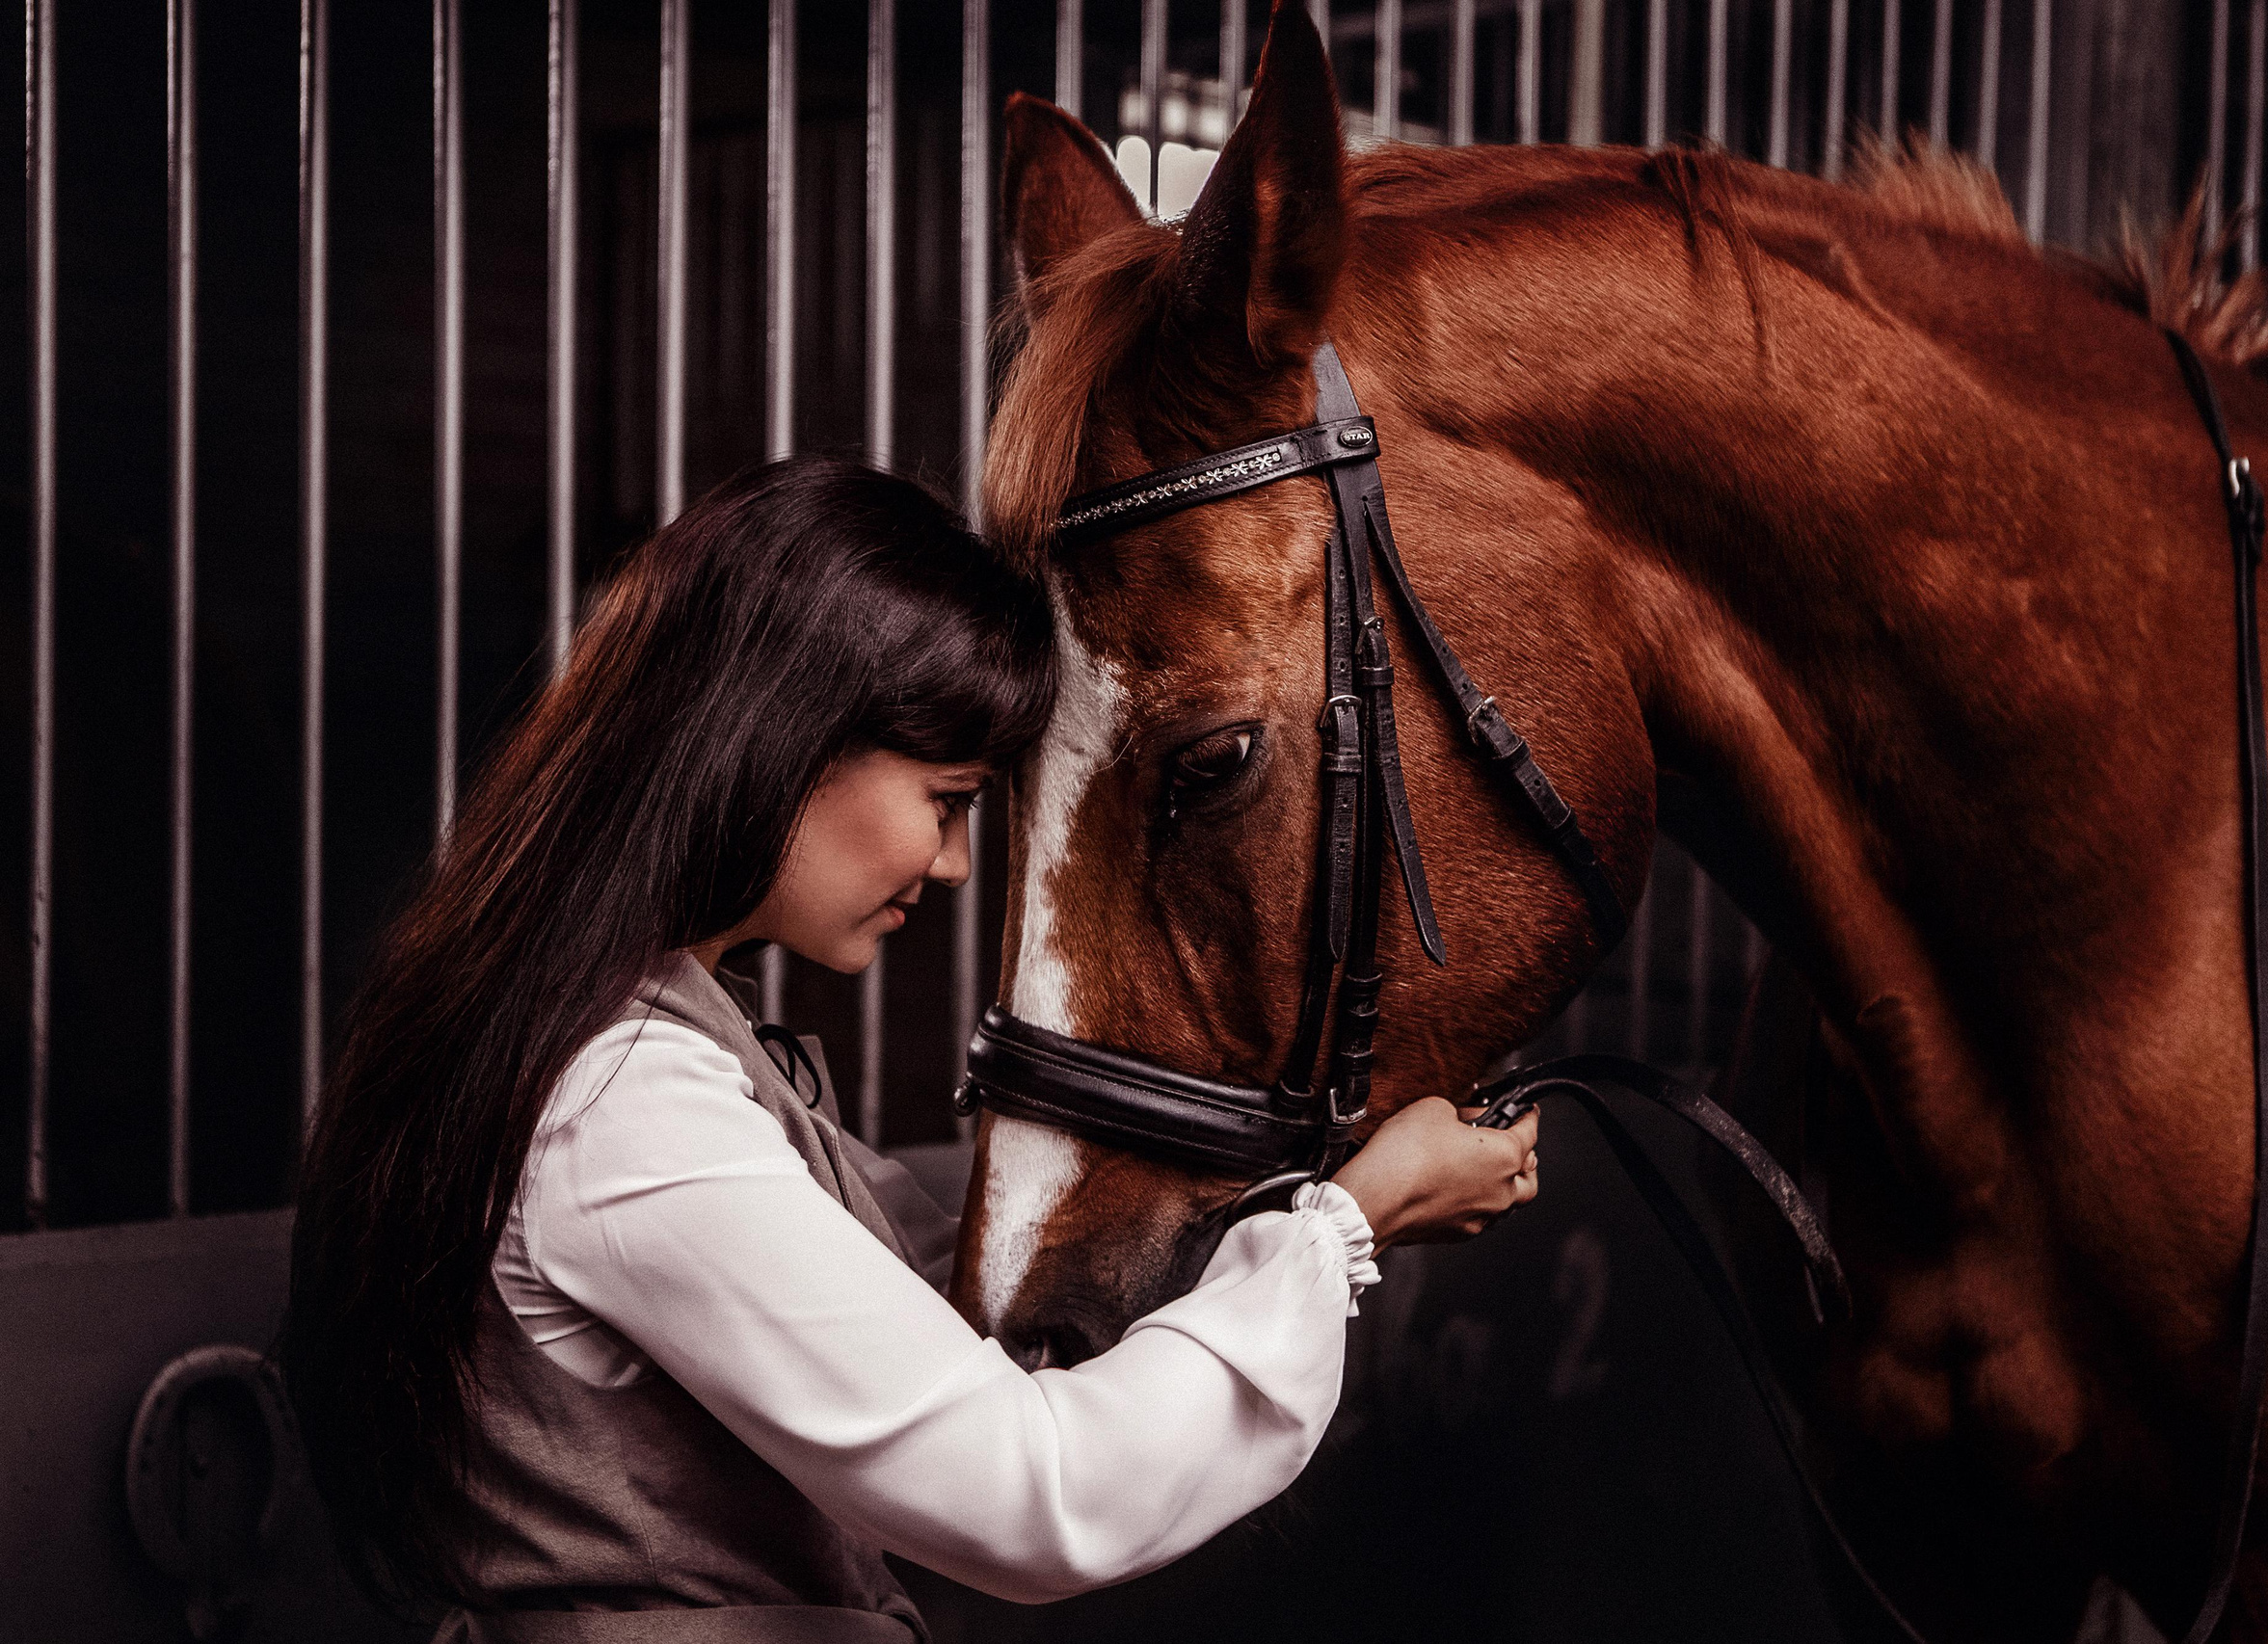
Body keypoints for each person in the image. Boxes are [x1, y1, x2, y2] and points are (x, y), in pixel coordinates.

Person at [282, 457, 1543, 1642]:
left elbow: (936, 1303)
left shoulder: (624, 1032)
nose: (950, 866)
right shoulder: (616, 1097)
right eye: (946, 803)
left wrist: (1293, 1183)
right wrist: (1345, 1229)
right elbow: (1031, 1488)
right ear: (783, 741)